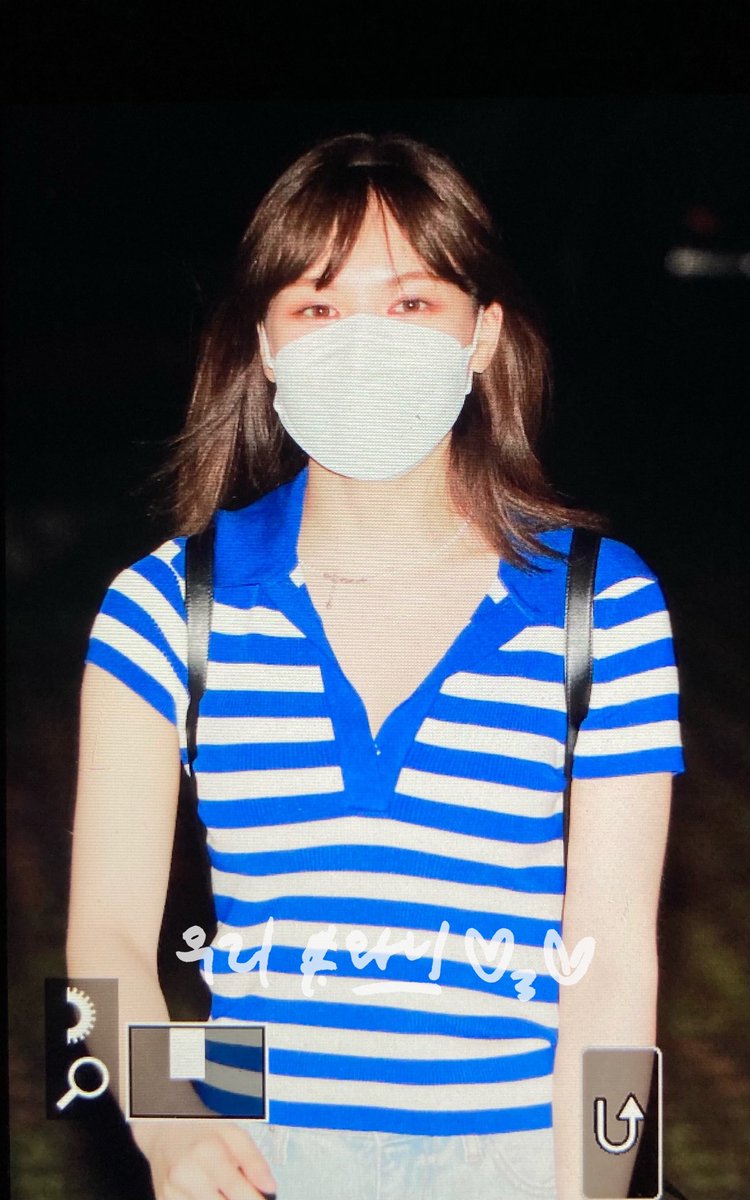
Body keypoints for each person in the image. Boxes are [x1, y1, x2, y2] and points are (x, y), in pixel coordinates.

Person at [67, 131, 685, 1200]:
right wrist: (170, 1128)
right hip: (257, 1156)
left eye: (410, 303)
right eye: (317, 307)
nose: (363, 343)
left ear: (483, 333)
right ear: (265, 346)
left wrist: (598, 1183)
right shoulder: (164, 609)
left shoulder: (602, 605)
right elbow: (104, 942)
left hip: (520, 1160)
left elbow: (616, 964)